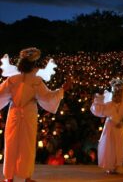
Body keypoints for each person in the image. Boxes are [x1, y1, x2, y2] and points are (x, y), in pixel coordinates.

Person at [0, 47, 71, 182]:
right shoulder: (35, 79)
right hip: (27, 113)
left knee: (11, 144)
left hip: (16, 113)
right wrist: (62, 90)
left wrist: (61, 90)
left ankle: (10, 177)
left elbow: (0, 93)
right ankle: (25, 176)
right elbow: (48, 97)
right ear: (34, 64)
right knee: (26, 145)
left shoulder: (13, 79)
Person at [90, 79, 123, 174]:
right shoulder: (109, 104)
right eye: (116, 92)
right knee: (109, 146)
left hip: (120, 128)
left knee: (118, 147)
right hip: (110, 127)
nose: (118, 94)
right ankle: (109, 166)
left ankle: (116, 167)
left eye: (120, 91)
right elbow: (98, 111)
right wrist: (97, 101)